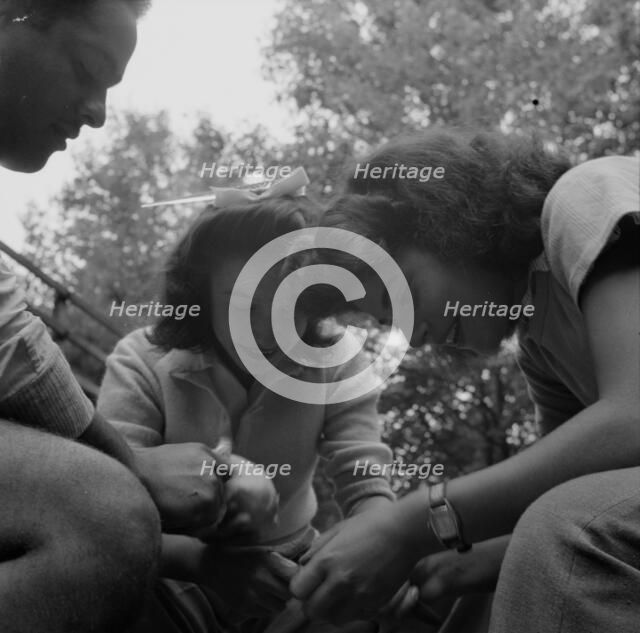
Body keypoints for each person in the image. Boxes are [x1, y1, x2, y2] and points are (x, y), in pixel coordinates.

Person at [290, 128, 640, 632]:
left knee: (561, 527)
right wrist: (446, 559)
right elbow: (577, 486)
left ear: (445, 226)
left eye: (404, 291)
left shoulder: (585, 194)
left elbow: (632, 419)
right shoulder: (542, 350)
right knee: (473, 590)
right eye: (390, 323)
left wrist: (407, 527)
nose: (411, 336)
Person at [97, 196, 397, 632]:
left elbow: (364, 475)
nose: (265, 329)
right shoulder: (141, 361)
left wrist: (377, 550)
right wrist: (202, 565)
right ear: (201, 292)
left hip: (294, 576)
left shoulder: (338, 359)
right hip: (166, 571)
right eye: (243, 304)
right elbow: (104, 506)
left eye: (290, 304)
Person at [0, 2, 162, 631]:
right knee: (103, 517)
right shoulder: (149, 360)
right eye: (86, 69)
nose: (97, 113)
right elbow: (9, 345)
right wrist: (135, 465)